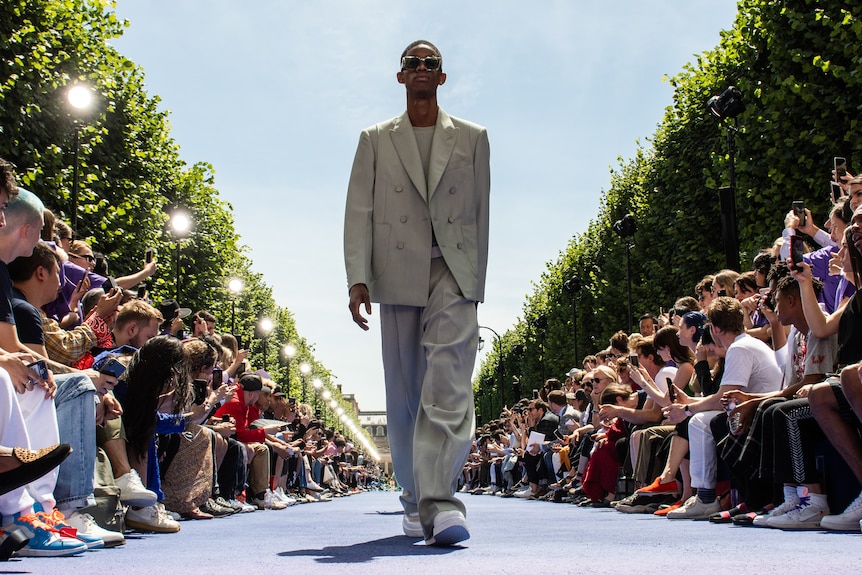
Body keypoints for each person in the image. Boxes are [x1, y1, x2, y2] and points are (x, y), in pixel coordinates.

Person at [343, 39, 490, 546]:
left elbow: (479, 214)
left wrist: (476, 278)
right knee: (405, 397)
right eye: (413, 63)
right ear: (401, 76)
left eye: (431, 63)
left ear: (442, 78)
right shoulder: (375, 139)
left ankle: (441, 501)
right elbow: (359, 211)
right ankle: (413, 497)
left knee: (448, 383)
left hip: (452, 271)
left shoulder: (473, 138)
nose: (422, 69)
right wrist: (357, 276)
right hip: (396, 272)